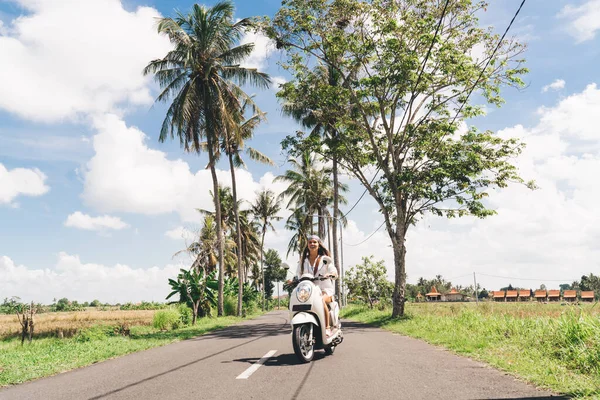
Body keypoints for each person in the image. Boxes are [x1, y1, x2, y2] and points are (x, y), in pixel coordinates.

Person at [295, 235, 338, 337]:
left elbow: (334, 272)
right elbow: (298, 274)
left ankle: (327, 328)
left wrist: (330, 274)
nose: (312, 244)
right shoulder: (303, 261)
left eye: (314, 242)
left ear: (319, 245)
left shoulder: (325, 259)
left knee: (320, 300)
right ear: (307, 245)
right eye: (310, 242)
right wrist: (293, 280)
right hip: (309, 291)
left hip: (325, 290)